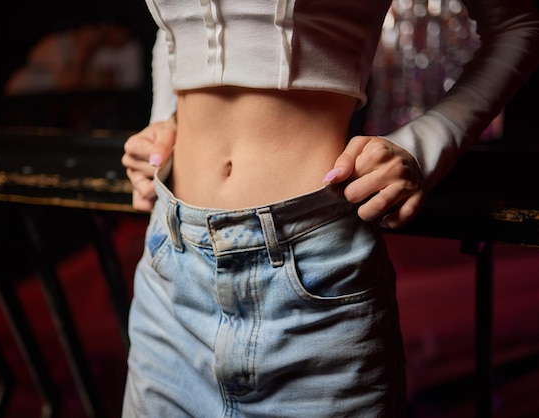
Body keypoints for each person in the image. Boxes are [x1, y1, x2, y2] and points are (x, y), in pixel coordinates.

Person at [121, 1, 539, 416]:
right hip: (170, 274)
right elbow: (174, 27)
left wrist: (425, 144)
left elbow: (520, 24)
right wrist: (164, 121)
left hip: (315, 279)